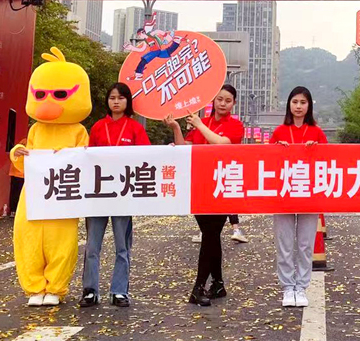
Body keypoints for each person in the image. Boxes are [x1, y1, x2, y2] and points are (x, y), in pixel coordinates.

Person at [165, 83, 245, 307]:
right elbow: (184, 147)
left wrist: (199, 124)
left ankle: (198, 287)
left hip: (221, 187)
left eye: (227, 100)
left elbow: (223, 144)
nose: (223, 104)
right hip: (199, 186)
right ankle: (218, 284)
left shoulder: (235, 125)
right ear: (213, 101)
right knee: (211, 236)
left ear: (233, 104)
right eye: (219, 99)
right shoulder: (202, 123)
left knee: (210, 235)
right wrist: (176, 128)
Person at [79, 83, 151, 309]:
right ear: (107, 101)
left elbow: (149, 156)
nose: (116, 101)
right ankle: (90, 290)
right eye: (112, 97)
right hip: (98, 194)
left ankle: (119, 291)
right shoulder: (98, 127)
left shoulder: (135, 128)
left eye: (120, 98)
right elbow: (86, 158)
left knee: (122, 247)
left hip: (123, 194)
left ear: (128, 101)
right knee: (92, 246)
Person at [270, 86, 327, 307]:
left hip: (309, 195)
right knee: (284, 243)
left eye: (303, 102)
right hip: (283, 194)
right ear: (289, 105)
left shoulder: (317, 132)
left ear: (309, 106)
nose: (299, 106)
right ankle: (287, 287)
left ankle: (301, 287)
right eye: (295, 102)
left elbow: (328, 161)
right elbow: (266, 161)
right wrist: (277, 149)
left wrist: (316, 150)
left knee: (305, 244)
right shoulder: (279, 131)